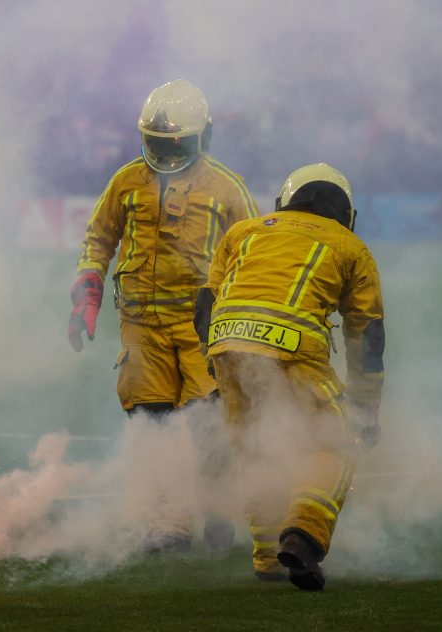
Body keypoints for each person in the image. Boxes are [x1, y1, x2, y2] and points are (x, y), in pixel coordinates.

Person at [68, 79, 259, 551]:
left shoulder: (227, 188)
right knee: (151, 425)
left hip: (202, 329)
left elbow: (253, 254)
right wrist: (86, 294)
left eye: (177, 144)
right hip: (139, 325)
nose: (167, 154)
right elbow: (99, 238)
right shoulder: (126, 180)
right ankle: (167, 524)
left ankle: (216, 507)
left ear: (203, 138)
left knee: (206, 423)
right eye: (157, 144)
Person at [194, 163, 384, 590]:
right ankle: (304, 534)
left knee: (255, 449)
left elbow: (205, 304)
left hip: (227, 342)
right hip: (291, 343)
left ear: (286, 200)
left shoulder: (244, 231)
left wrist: (217, 364)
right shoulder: (352, 247)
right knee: (339, 440)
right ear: (346, 212)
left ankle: (268, 560)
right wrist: (367, 408)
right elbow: (366, 335)